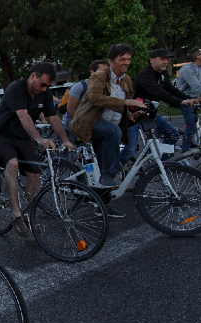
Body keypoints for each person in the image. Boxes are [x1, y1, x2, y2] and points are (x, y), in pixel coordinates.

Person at [0, 62, 74, 237]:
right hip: (2, 134)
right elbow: (23, 115)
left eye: (48, 86)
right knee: (12, 163)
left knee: (35, 173)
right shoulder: (16, 88)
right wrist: (39, 138)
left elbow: (53, 116)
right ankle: (16, 214)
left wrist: (65, 139)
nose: (44, 89)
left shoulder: (45, 94)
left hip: (21, 137)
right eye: (43, 84)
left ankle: (29, 214)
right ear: (33, 76)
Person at [69, 44, 147, 217]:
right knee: (113, 133)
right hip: (90, 122)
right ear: (111, 61)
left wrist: (131, 116)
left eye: (128, 59)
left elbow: (120, 105)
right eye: (122, 59)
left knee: (101, 168)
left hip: (108, 127)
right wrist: (128, 103)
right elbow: (96, 99)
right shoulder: (99, 76)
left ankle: (103, 206)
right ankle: (109, 175)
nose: (126, 62)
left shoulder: (126, 80)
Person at [122, 48, 197, 165]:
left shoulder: (161, 75)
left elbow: (171, 90)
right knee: (130, 150)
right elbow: (158, 92)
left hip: (149, 114)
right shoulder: (145, 75)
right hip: (134, 114)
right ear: (152, 60)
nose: (166, 62)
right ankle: (111, 170)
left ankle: (155, 164)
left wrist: (188, 99)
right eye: (162, 59)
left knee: (173, 134)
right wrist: (179, 102)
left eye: (167, 59)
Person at [62, 60, 110, 146]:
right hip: (71, 126)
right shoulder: (80, 86)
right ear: (92, 72)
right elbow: (70, 109)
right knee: (67, 154)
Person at [176, 46, 201, 155]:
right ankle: (184, 154)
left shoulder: (199, 68)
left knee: (193, 126)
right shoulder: (187, 69)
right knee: (191, 126)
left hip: (196, 99)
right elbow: (197, 87)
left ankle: (195, 142)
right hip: (185, 100)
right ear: (198, 57)